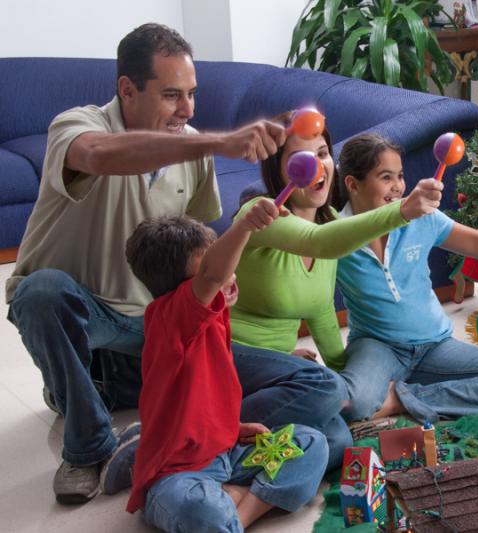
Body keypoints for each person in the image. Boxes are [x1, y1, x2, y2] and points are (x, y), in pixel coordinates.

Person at [5, 22, 313, 504]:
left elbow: (204, 255)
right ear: (127, 90)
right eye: (172, 95)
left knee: (311, 382)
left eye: (192, 93)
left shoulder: (192, 148)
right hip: (90, 321)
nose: (188, 110)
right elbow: (100, 155)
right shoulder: (79, 126)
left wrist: (241, 325)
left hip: (158, 331)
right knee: (40, 292)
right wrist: (214, 141)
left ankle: (165, 427)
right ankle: (90, 447)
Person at [230, 113, 442, 470]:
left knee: (339, 440)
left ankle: (236, 448)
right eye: (303, 158)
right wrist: (403, 210)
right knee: (327, 390)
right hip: (231, 355)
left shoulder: (328, 217)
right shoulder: (262, 214)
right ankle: (201, 426)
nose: (318, 166)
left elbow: (322, 313)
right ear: (278, 170)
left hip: (279, 369)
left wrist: (352, 382)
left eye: (324, 153)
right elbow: (319, 242)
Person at [120, 203, 327, 531]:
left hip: (225, 453)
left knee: (312, 442)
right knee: (202, 511)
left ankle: (241, 510)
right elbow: (213, 274)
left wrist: (234, 429)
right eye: (218, 265)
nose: (231, 274)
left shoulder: (211, 316)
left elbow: (203, 400)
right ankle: (230, 507)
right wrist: (245, 225)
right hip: (176, 474)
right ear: (191, 286)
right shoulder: (171, 316)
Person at [334, 133, 478, 424]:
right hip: (376, 345)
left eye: (400, 176)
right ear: (353, 184)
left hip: (434, 345)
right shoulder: (333, 235)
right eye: (385, 177)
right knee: (353, 405)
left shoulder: (422, 217)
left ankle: (400, 399)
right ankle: (424, 397)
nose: (398, 187)